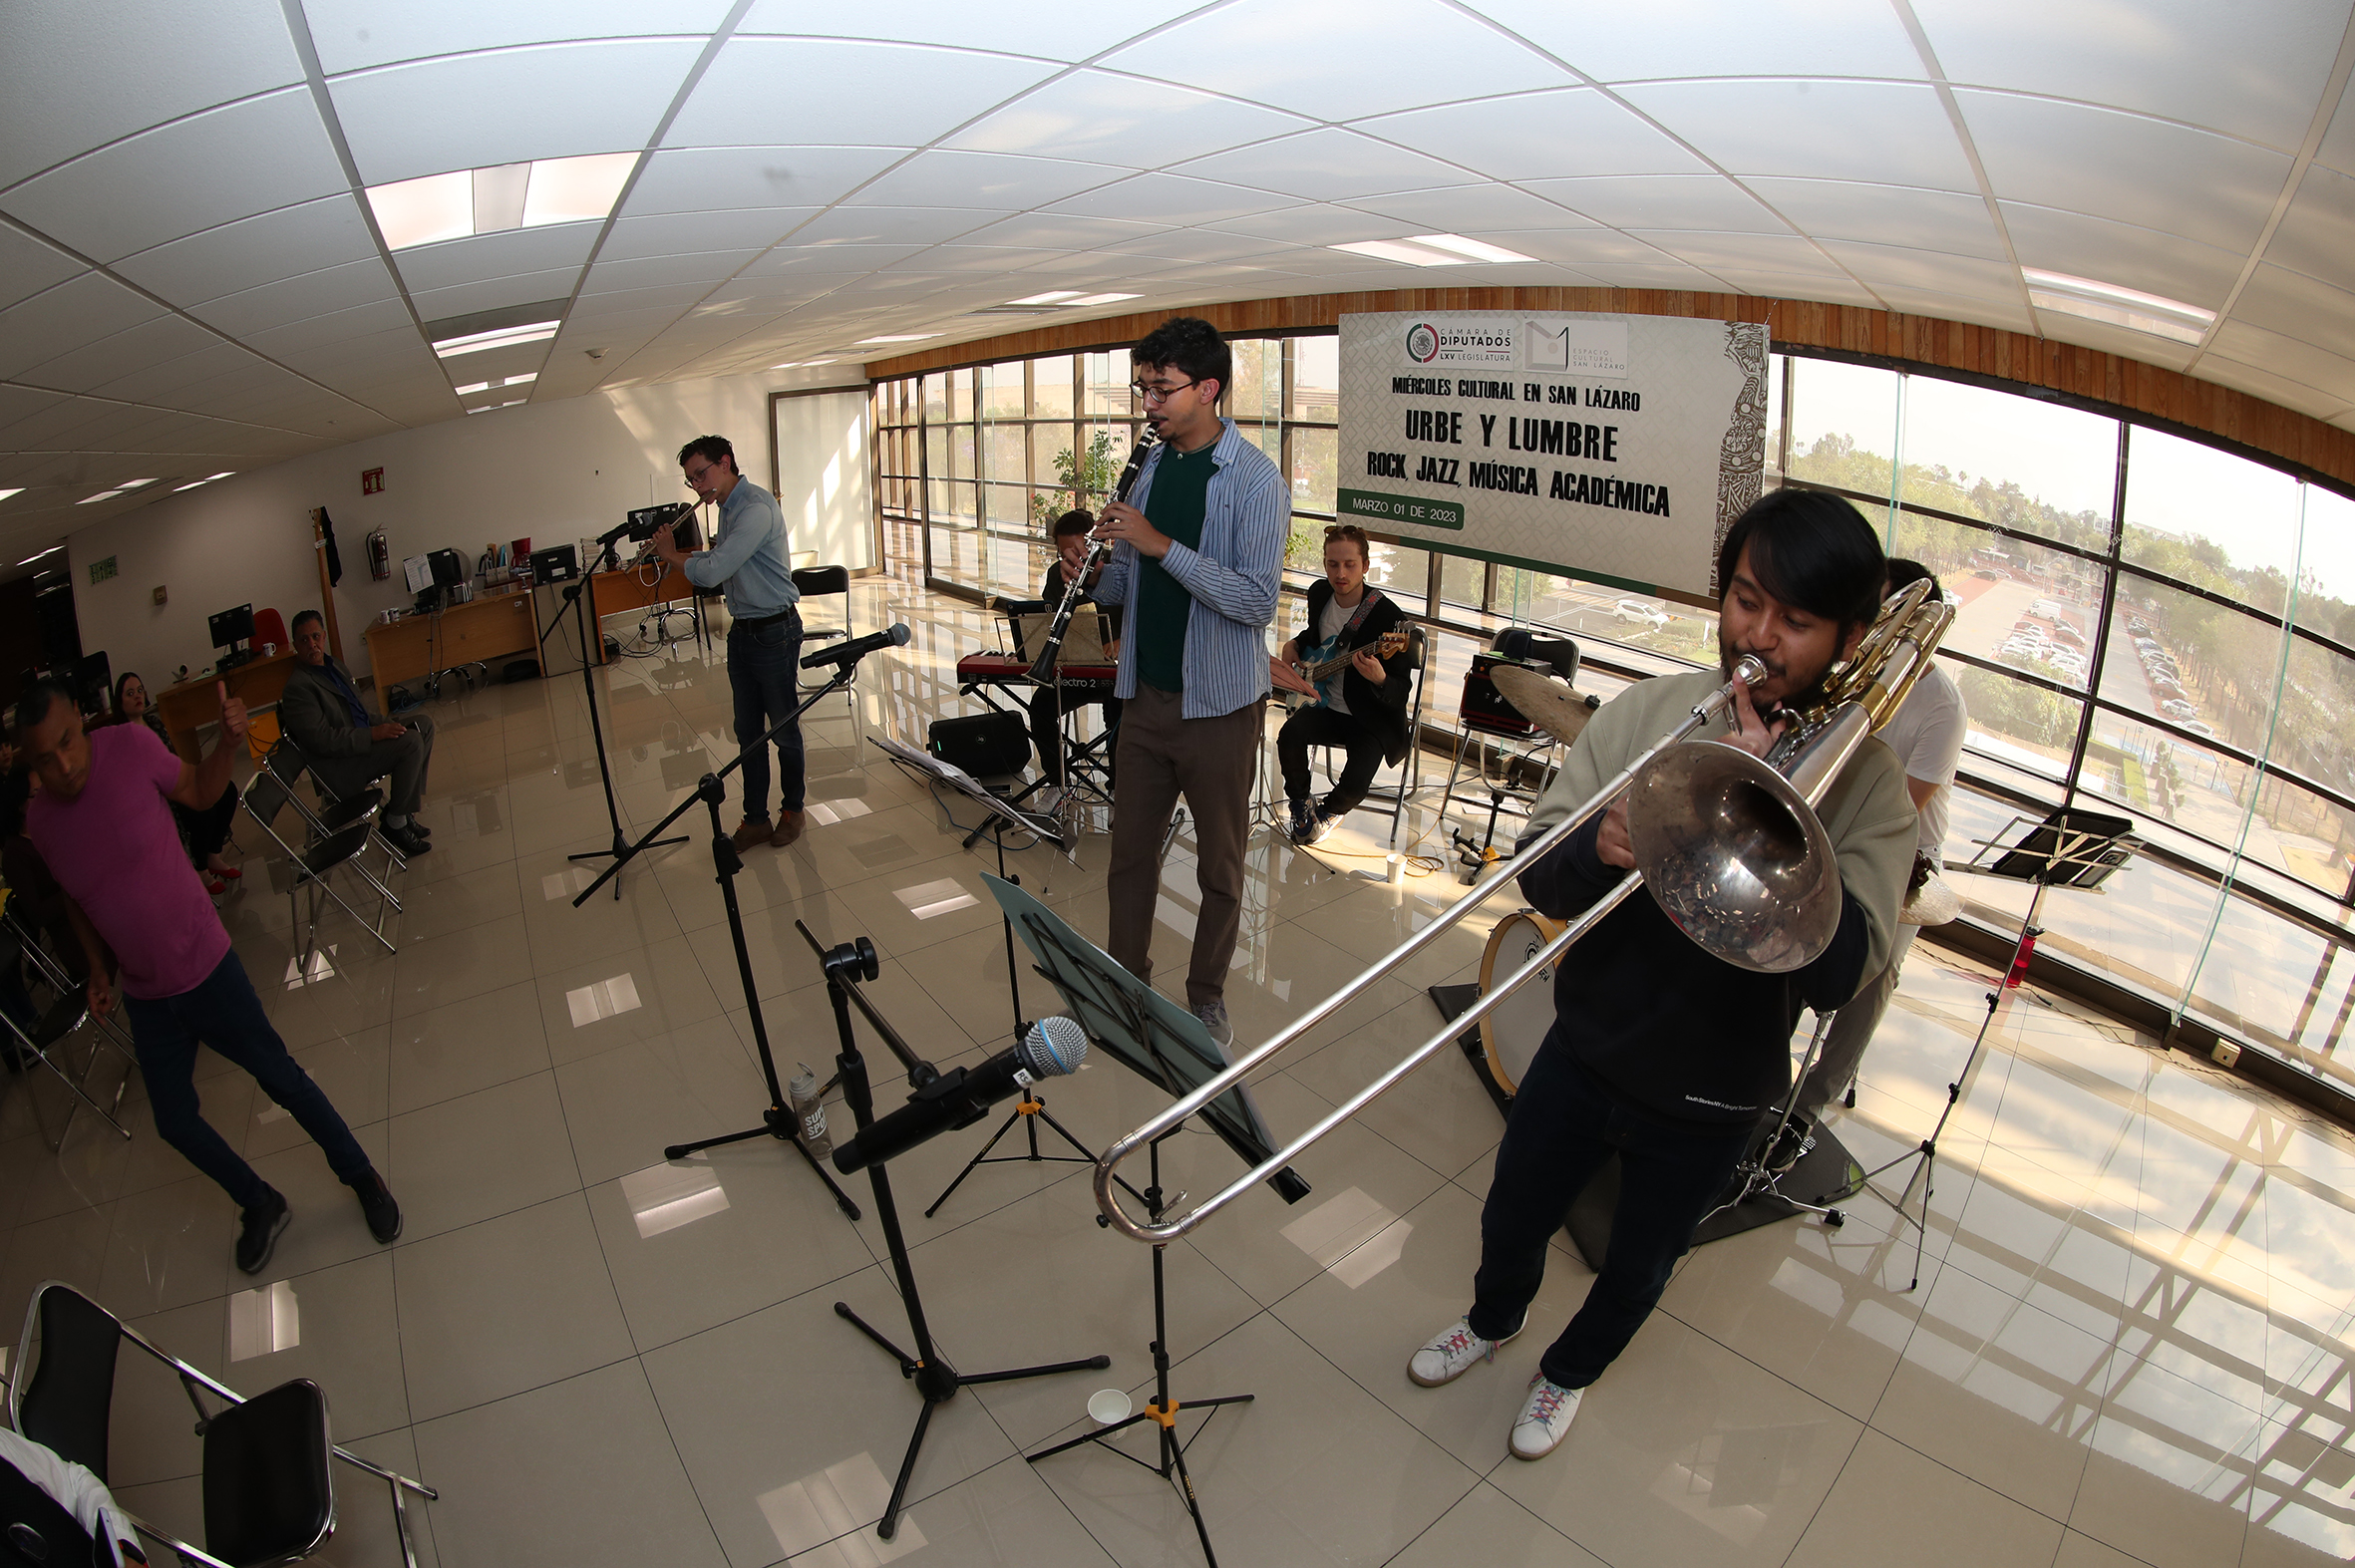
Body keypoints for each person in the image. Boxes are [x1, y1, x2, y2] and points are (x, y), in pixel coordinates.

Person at [1405, 490, 1916, 1460]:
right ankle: (1493, 1318)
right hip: (1586, 1044)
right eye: (1746, 600)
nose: (1757, 636)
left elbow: (1842, 975)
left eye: (1795, 620)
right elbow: (1540, 874)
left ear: (1849, 638)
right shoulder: (1652, 712)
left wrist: (1776, 829)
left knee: (1640, 1267)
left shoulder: (1871, 785)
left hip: (1715, 1096)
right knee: (1510, 1212)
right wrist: (1600, 842)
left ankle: (1568, 1373)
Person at [14, 677, 402, 1276]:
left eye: (67, 741)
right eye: (45, 758)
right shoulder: (42, 822)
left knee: (281, 1079)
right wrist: (95, 969)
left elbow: (198, 790)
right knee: (173, 1122)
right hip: (146, 995)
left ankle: (362, 1176)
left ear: (81, 722)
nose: (63, 765)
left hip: (206, 966)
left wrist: (226, 743)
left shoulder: (129, 746)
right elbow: (73, 895)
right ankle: (261, 1201)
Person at [1091, 316, 1287, 1047]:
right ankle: (1126, 983)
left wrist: (1159, 544)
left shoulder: (1256, 481)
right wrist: (1096, 571)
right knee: (1129, 859)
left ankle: (1206, 994)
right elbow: (1128, 585)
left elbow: (1255, 601)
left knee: (1220, 868)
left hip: (1221, 709)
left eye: (1161, 389)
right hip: (1144, 699)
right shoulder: (1148, 466)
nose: (1148, 403)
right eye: (1143, 388)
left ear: (1207, 389)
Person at [1769, 558, 1968, 1169]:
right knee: (1780, 955)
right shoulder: (1847, 676)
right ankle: (1757, 1075)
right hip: (1825, 828)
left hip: (1904, 858)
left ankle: (1807, 1110)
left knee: (1871, 981)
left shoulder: (1941, 707)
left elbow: (1905, 805)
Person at [653, 434, 804, 851]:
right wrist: (682, 557)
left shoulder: (754, 508)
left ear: (725, 463)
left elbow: (713, 572)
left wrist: (671, 555)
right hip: (744, 632)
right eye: (691, 480)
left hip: (774, 631)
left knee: (783, 729)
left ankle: (793, 810)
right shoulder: (727, 507)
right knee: (747, 732)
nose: (697, 486)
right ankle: (756, 820)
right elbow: (717, 561)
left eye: (701, 474)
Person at [1270, 524, 1415, 844]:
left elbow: (1401, 691)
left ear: (1365, 566)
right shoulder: (1320, 593)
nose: (1341, 573)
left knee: (1355, 785)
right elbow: (1317, 636)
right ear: (1324, 564)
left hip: (1369, 717)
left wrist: (1379, 678)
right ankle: (1300, 804)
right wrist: (1295, 643)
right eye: (1333, 564)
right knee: (1288, 736)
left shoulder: (1388, 618)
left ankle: (1328, 813)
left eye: (1350, 565)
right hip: (1325, 704)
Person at [278, 610, 435, 857]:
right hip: (342, 764)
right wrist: (373, 734)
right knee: (411, 743)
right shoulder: (298, 688)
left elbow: (360, 711)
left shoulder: (334, 665)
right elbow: (323, 741)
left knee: (423, 726)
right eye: (304, 640)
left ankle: (401, 812)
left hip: (361, 743)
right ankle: (395, 824)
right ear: (295, 645)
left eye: (315, 636)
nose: (312, 644)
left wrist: (387, 726)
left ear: (324, 636)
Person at [107, 671, 242, 894]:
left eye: (140, 690)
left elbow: (174, 759)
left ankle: (213, 855)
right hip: (158, 798)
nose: (137, 696)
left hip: (176, 782)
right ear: (119, 702)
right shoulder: (122, 737)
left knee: (226, 791)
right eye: (130, 693)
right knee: (202, 809)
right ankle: (200, 869)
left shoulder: (153, 723)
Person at [1027, 508, 1123, 797]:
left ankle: (1119, 788)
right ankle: (1057, 783)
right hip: (1075, 668)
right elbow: (1047, 619)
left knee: (1117, 711)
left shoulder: (1118, 570)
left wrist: (1124, 640)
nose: (1070, 561)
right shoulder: (1056, 576)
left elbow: (1145, 615)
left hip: (1117, 671)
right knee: (1040, 707)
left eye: (1078, 553)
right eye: (1063, 554)